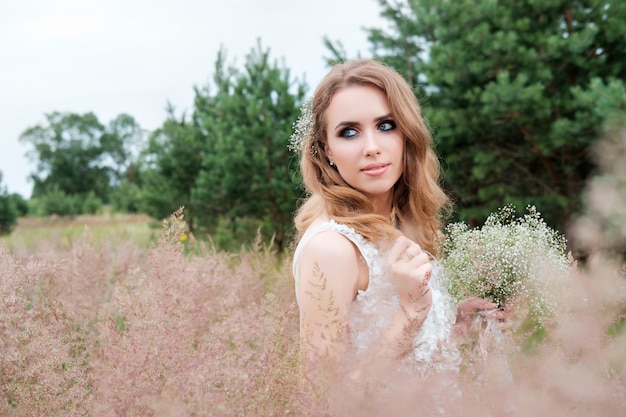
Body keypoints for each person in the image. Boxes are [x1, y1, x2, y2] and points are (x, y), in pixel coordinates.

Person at [290, 59, 498, 378]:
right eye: (349, 132)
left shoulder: (398, 223)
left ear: (406, 134)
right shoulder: (331, 249)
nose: (372, 147)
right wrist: (411, 313)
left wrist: (454, 323)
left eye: (386, 126)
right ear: (326, 150)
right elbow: (323, 399)